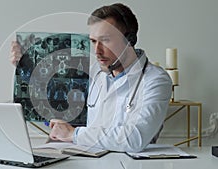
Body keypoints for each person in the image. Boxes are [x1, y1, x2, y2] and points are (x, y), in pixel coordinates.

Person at [10, 3, 172, 153]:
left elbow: (135, 138)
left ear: (130, 40)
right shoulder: (94, 73)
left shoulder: (155, 80)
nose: (97, 51)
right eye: (93, 41)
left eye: (105, 41)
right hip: (89, 161)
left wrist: (74, 134)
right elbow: (52, 98)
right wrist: (26, 65)